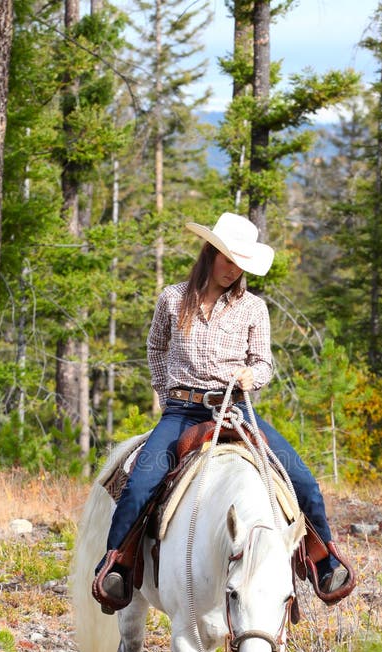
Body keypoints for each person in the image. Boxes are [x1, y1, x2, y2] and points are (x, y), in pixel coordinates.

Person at [93, 212, 349, 611]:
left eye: (241, 264)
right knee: (142, 482)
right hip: (183, 411)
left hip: (235, 411)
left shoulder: (253, 309)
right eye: (228, 260)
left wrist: (253, 375)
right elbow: (155, 348)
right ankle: (117, 566)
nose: (234, 271)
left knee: (301, 479)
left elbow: (263, 362)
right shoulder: (172, 299)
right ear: (210, 253)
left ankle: (325, 563)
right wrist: (166, 394)